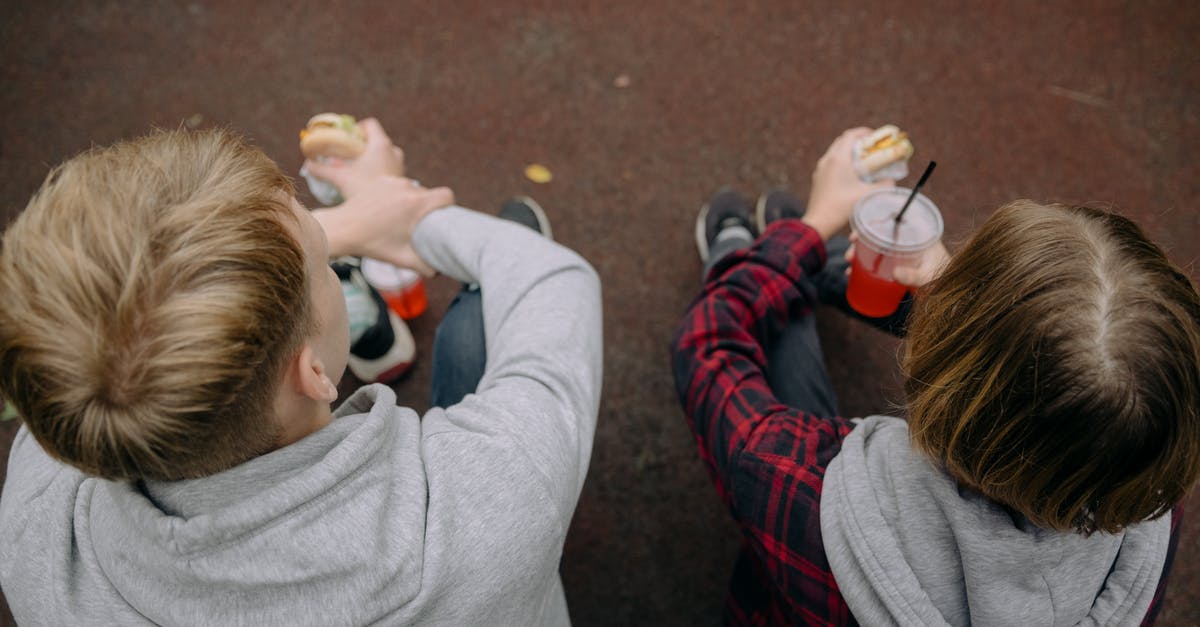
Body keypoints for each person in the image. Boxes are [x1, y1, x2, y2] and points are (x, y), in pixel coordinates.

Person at [0, 120, 603, 625]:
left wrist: (333, 233)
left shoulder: (34, 533)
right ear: (315, 373)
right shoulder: (493, 494)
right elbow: (553, 279)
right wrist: (405, 213)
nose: (329, 241)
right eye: (325, 256)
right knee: (481, 323)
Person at [672, 127, 1199, 626]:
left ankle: (751, 252)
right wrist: (953, 290)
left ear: (931, 369)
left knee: (774, 313)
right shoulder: (1150, 504)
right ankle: (789, 259)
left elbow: (708, 344)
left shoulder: (792, 480)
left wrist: (812, 225)